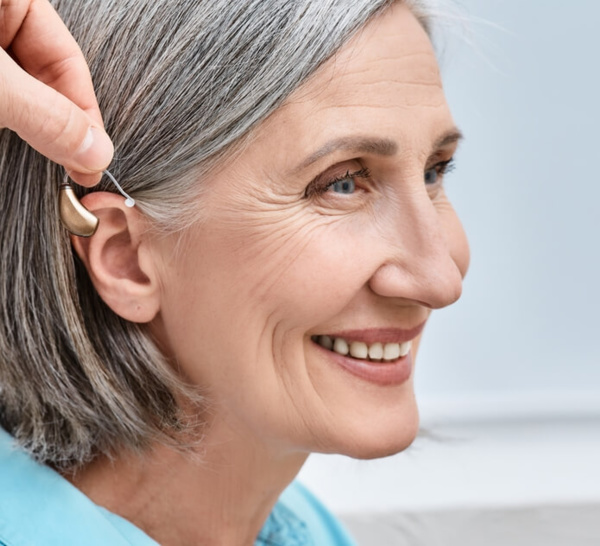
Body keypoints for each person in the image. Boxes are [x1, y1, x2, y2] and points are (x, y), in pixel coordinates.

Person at [0, 0, 470, 544]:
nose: (442, 278)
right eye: (342, 183)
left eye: (436, 171)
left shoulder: (309, 532)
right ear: (126, 259)